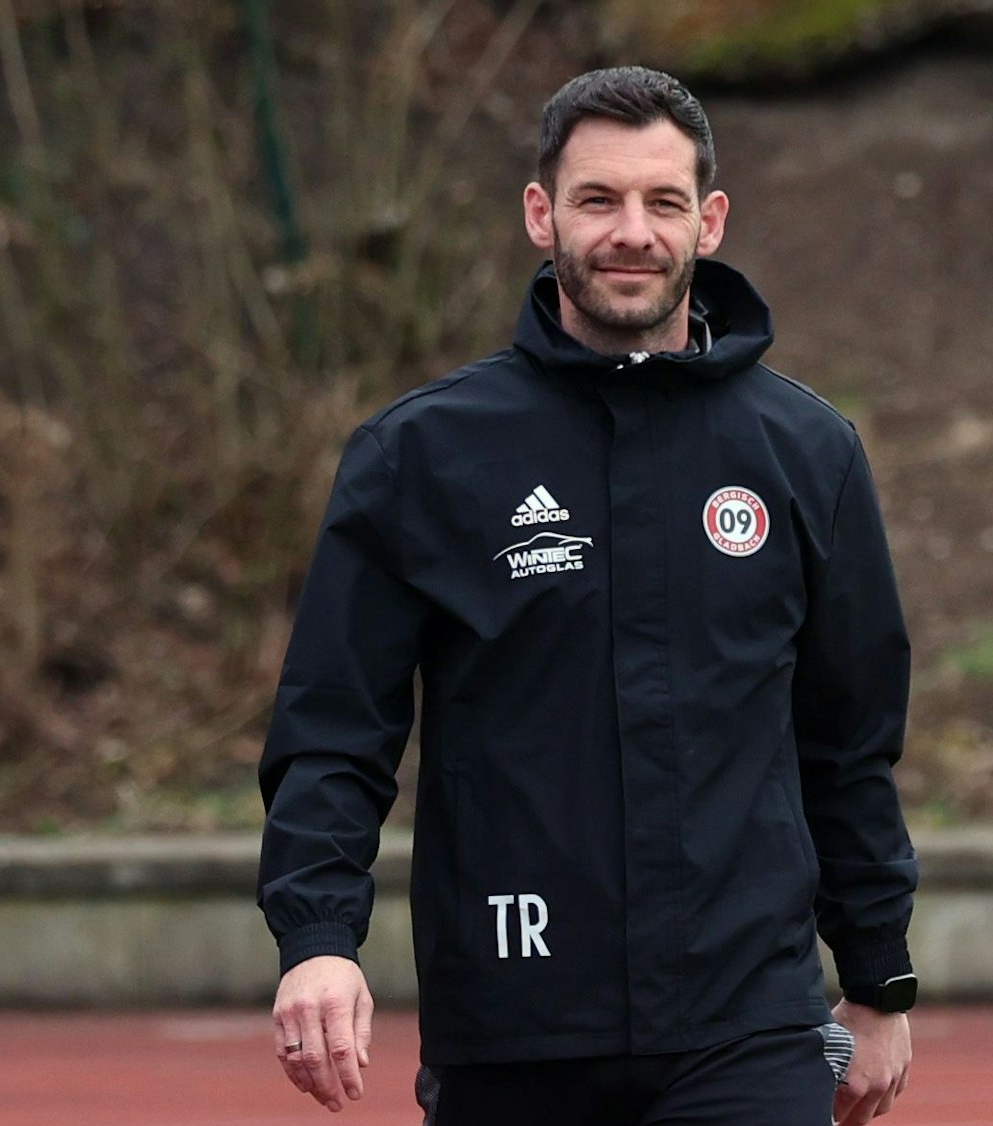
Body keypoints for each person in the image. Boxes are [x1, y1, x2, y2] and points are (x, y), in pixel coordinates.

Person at [257, 67, 917, 1126]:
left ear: (707, 223)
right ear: (539, 214)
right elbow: (333, 732)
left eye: (660, 203)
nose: (629, 233)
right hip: (513, 1023)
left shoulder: (805, 454)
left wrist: (877, 972)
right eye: (596, 199)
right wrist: (317, 940)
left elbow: (846, 740)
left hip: (742, 1028)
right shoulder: (418, 456)